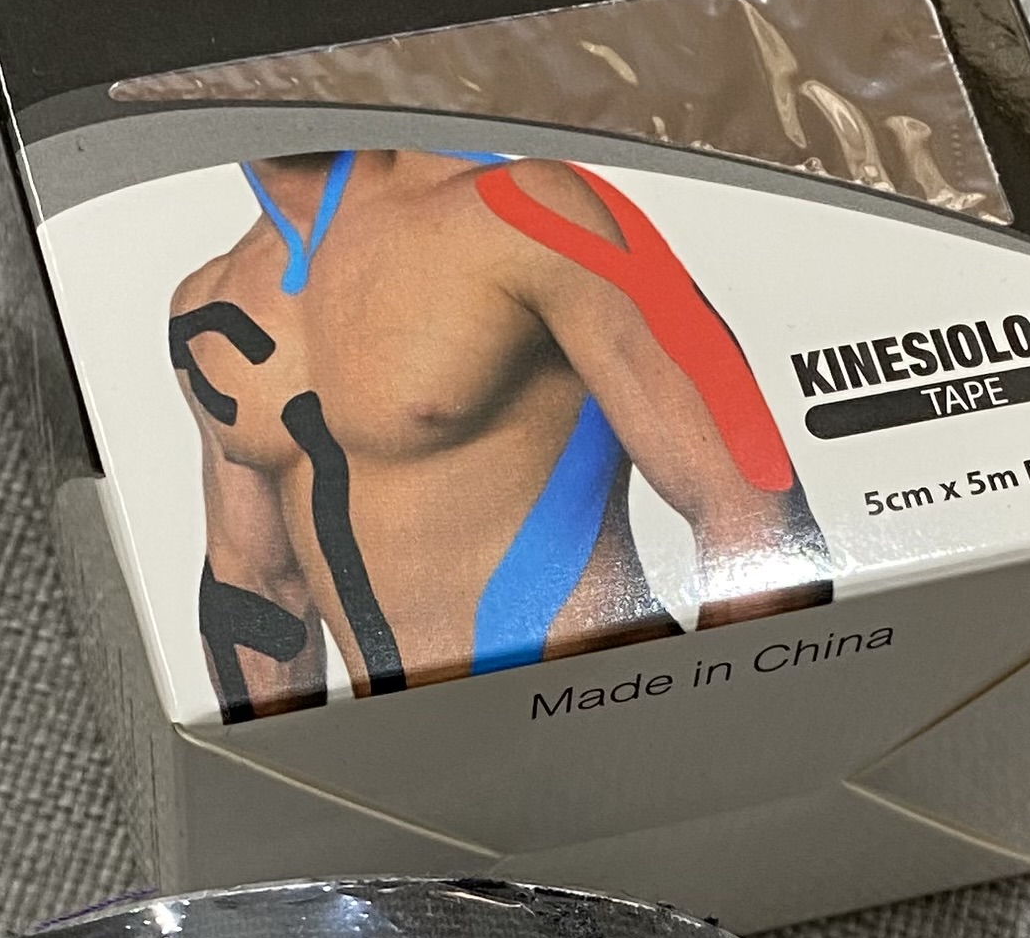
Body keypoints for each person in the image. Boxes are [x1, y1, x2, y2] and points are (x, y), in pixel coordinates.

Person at [168, 147, 827, 718]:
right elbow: (255, 586)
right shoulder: (207, 305)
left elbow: (748, 502)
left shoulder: (522, 206)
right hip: (422, 782)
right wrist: (281, 791)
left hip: (618, 727)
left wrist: (735, 738)